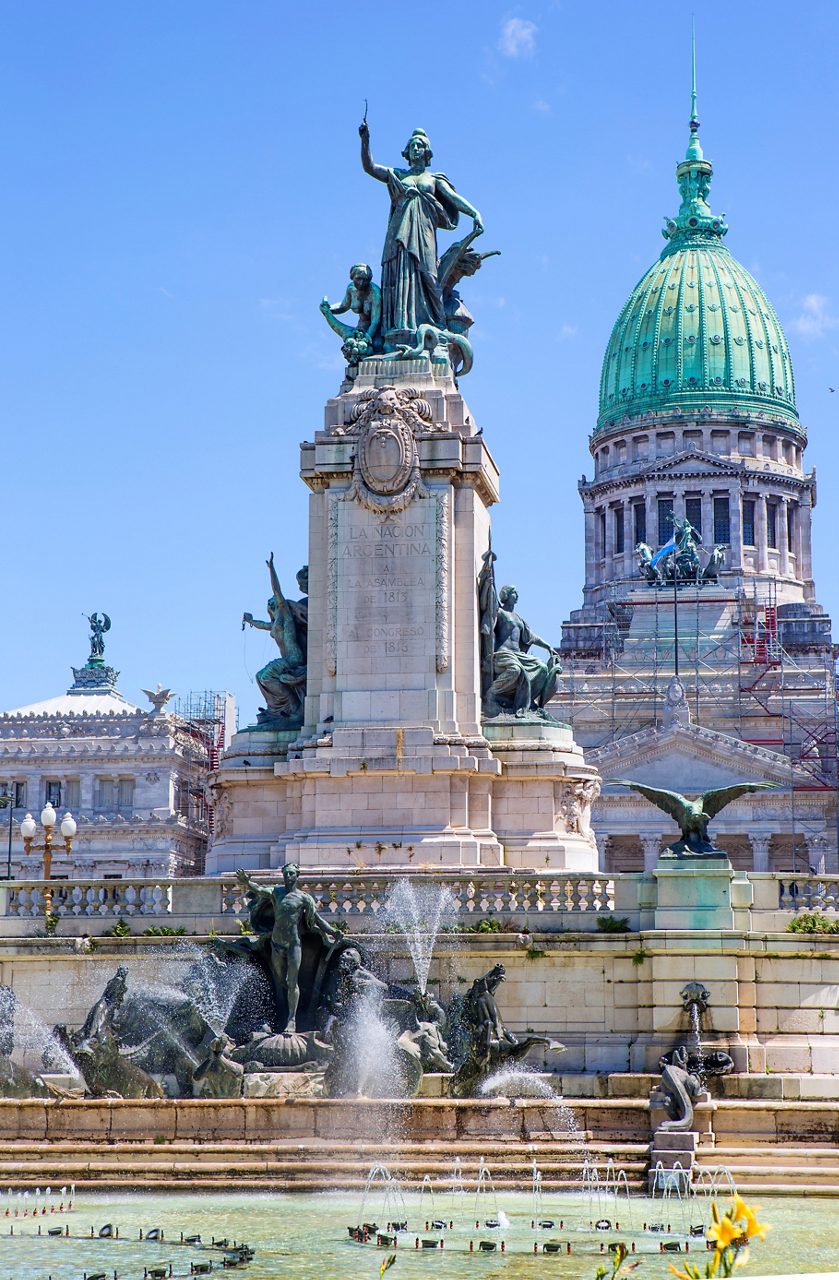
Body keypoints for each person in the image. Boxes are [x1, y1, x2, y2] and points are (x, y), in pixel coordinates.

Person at [359, 121, 483, 340]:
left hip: (424, 236)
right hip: (399, 234)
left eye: (420, 146)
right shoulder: (397, 174)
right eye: (413, 146)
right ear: (407, 152)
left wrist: (474, 213)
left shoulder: (433, 179)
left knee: (427, 275)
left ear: (427, 153)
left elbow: (453, 198)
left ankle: (432, 325)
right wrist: (365, 140)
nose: (416, 149)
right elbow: (369, 167)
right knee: (401, 276)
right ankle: (400, 327)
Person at [234, 864, 340, 1034]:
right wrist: (247, 882)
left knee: (292, 983)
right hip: (276, 944)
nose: (288, 876)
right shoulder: (277, 892)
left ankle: (292, 1020)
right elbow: (260, 891)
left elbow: (318, 920)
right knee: (280, 980)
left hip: (294, 945)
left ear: (297, 876)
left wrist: (333, 931)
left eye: (291, 873)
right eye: (285, 873)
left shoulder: (303, 898)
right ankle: (284, 1010)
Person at [243, 556, 308, 727]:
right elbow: (263, 625)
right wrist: (250, 621)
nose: (270, 603)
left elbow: (277, 591)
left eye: (273, 602)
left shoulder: (286, 617)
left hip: (293, 659)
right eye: (269, 603)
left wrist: (271, 569)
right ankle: (277, 709)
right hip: (286, 660)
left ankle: (293, 706)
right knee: (259, 676)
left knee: (266, 676)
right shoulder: (275, 624)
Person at [484, 585, 562, 716]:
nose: (517, 595)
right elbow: (489, 626)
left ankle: (528, 702)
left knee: (542, 668)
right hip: (503, 654)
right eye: (514, 592)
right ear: (506, 595)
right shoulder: (499, 612)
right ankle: (491, 693)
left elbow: (531, 637)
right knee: (515, 669)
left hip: (519, 655)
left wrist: (548, 647)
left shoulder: (518, 618)